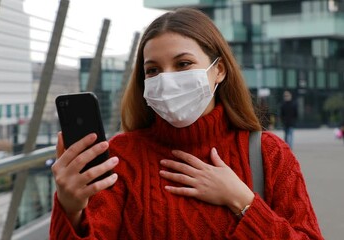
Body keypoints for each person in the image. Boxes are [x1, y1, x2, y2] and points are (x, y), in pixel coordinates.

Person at [50, 8, 322, 239]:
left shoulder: (268, 153)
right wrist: (70, 207)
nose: (167, 79)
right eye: (153, 70)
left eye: (183, 64)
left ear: (219, 70)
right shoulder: (122, 157)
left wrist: (243, 202)